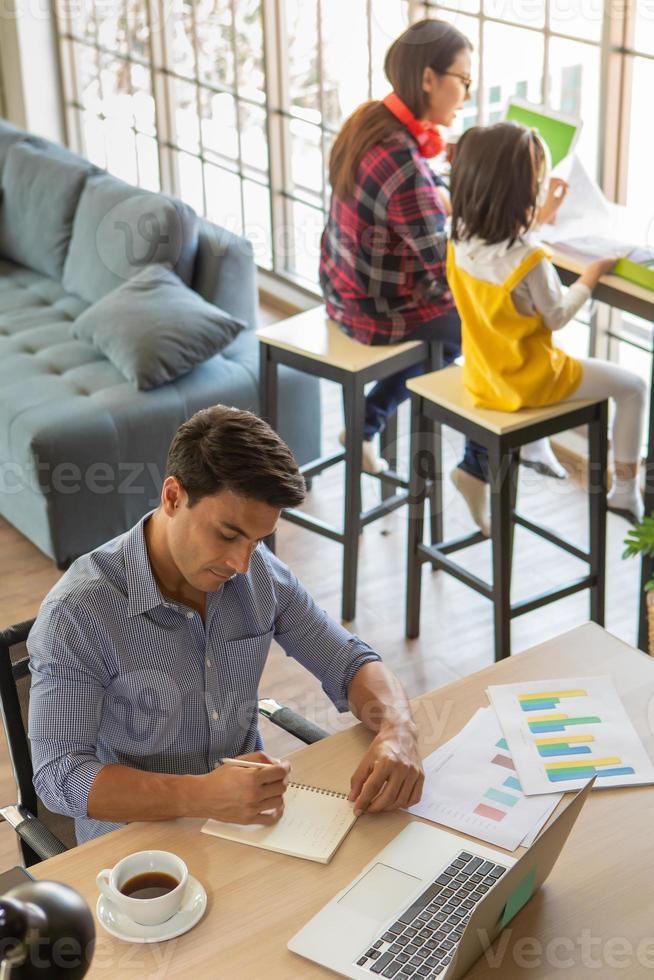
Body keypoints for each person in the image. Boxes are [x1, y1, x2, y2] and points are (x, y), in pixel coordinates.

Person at [27, 406, 424, 844]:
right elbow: (59, 775)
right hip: (137, 846)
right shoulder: (76, 615)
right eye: (228, 535)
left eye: (257, 541)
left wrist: (399, 729)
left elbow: (349, 661)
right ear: (173, 497)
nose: (241, 563)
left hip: (246, 821)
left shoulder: (260, 575)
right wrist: (201, 795)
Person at [319, 17, 567, 536]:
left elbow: (421, 218)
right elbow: (451, 270)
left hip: (343, 292)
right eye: (464, 81)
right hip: (379, 310)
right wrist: (526, 226)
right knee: (483, 322)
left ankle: (366, 423)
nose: (466, 93)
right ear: (429, 78)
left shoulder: (371, 121)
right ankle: (476, 465)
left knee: (456, 330)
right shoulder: (403, 161)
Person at [447, 122, 647, 522]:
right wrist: (591, 275)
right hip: (529, 382)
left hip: (484, 375)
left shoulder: (460, 238)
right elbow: (556, 316)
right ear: (519, 192)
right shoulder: (530, 259)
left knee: (560, 357)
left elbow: (501, 247)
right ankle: (625, 491)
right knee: (634, 387)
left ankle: (535, 447)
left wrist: (541, 218)